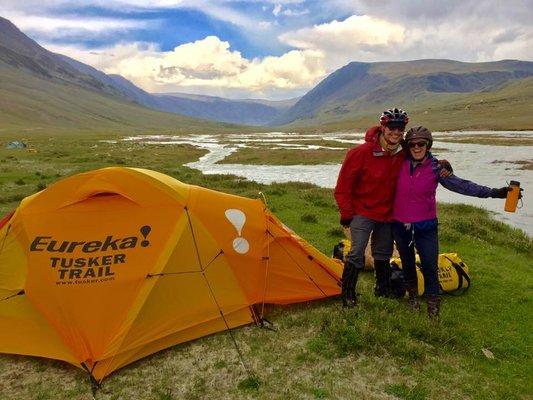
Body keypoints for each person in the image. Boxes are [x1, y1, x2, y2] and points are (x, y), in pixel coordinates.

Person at [392, 126, 512, 318]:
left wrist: (493, 193)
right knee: (407, 265)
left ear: (428, 145)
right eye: (412, 144)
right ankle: (413, 300)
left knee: (430, 267)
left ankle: (433, 309)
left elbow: (462, 186)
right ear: (407, 146)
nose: (416, 147)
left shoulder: (436, 168)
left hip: (426, 226)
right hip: (400, 225)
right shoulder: (398, 163)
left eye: (421, 143)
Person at [334, 108, 410, 308]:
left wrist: (443, 165)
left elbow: (424, 159)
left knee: (383, 252)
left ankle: (382, 289)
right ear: (383, 127)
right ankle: (348, 294)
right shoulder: (360, 153)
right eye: (392, 127)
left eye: (400, 128)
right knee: (357, 251)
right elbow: (342, 187)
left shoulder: (403, 153)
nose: (396, 132)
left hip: (387, 214)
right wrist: (346, 214)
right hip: (362, 211)